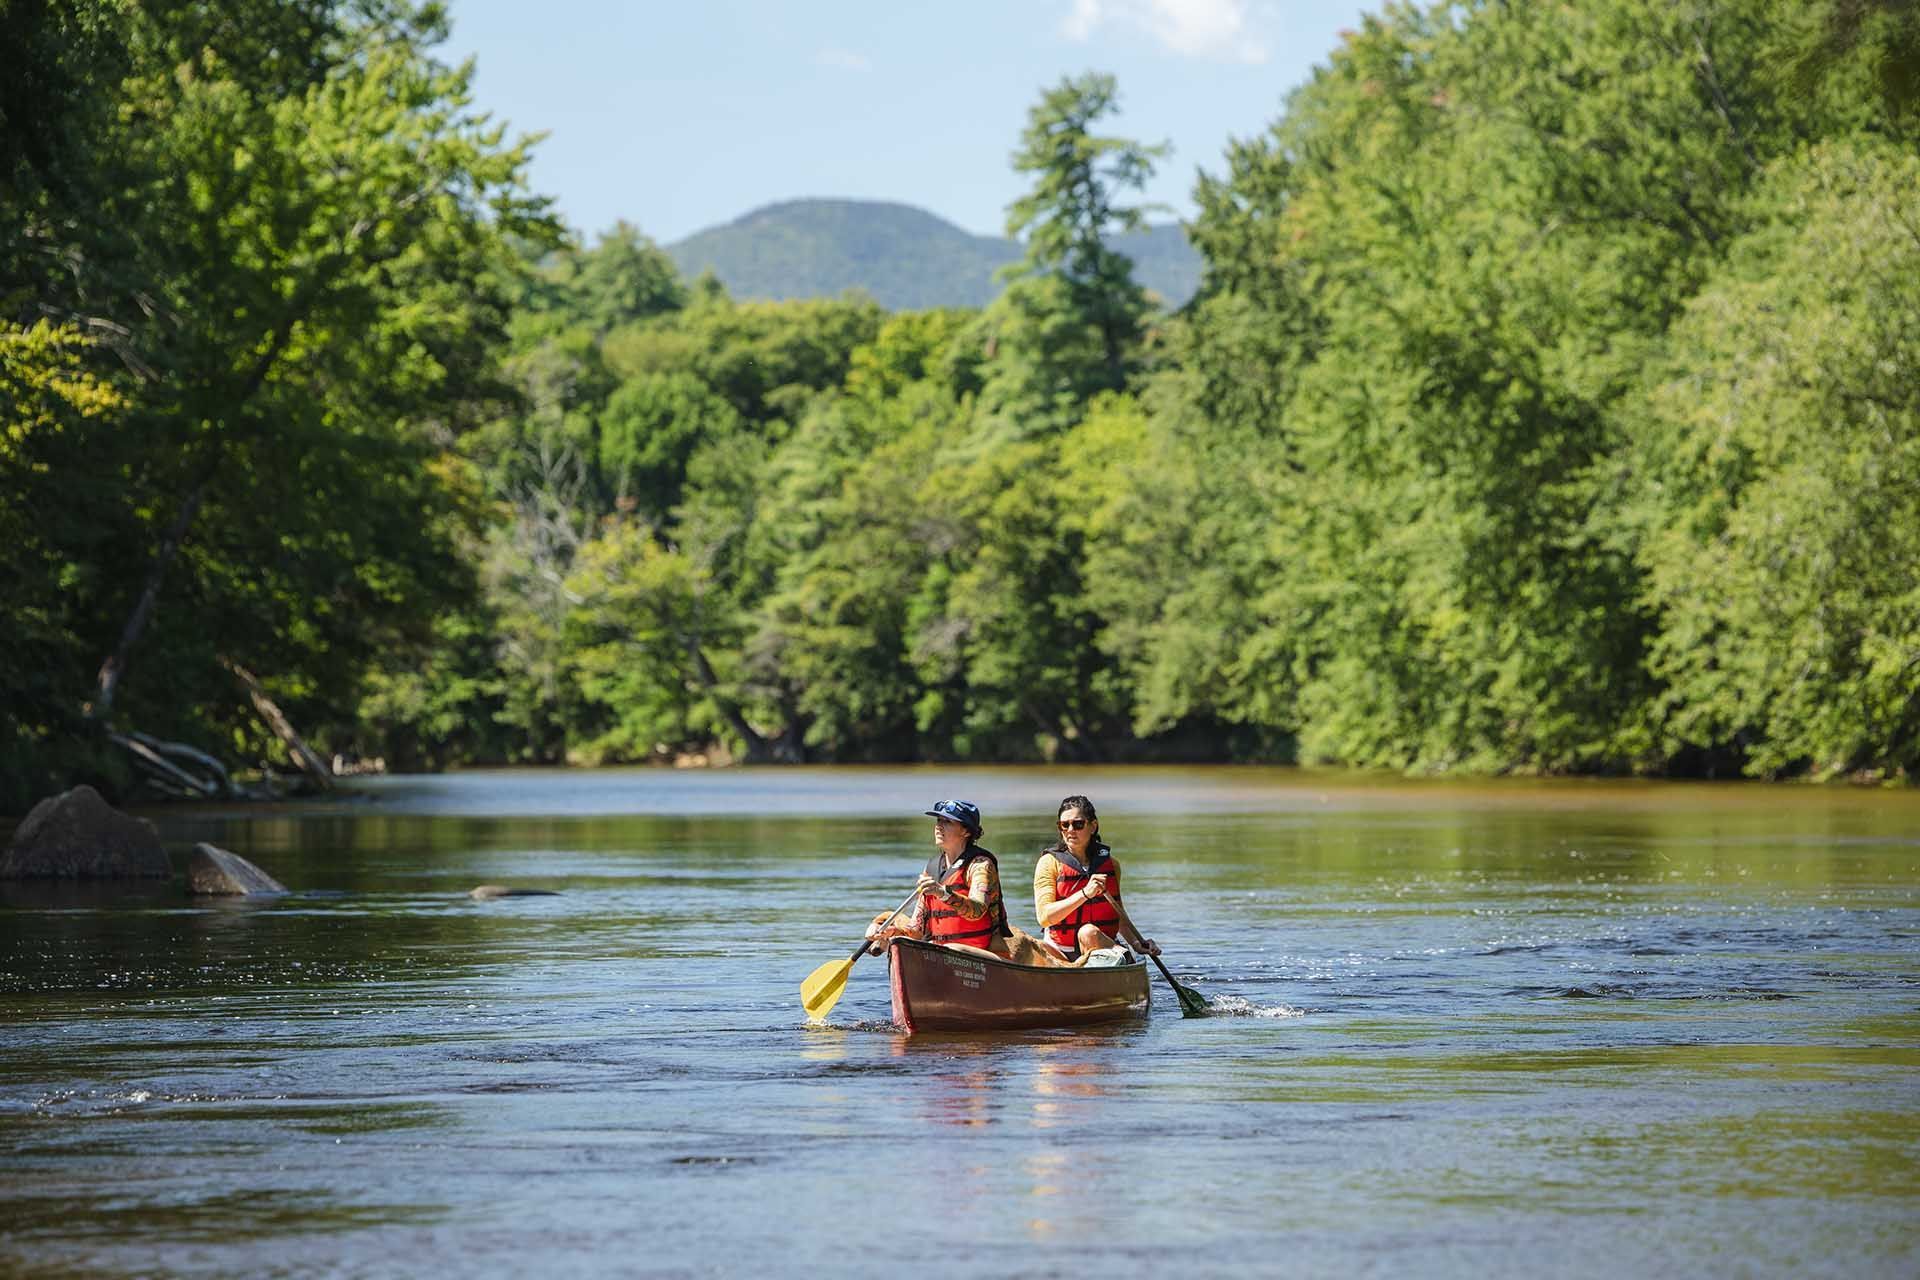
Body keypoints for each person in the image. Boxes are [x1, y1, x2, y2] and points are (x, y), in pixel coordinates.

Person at [867, 799, 1015, 958]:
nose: (939, 826)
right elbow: (917, 931)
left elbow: (977, 911)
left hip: (980, 952)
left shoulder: (980, 865)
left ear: (966, 831)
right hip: (942, 953)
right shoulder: (931, 869)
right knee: (900, 941)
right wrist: (892, 932)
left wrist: (942, 893)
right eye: (938, 820)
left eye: (948, 822)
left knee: (954, 950)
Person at [1033, 794, 1159, 965]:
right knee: (1031, 946)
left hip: (1101, 946)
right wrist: (1085, 894)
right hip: (1060, 951)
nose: (1070, 830)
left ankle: (1121, 957)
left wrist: (1137, 943)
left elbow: (1117, 914)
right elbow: (1044, 917)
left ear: (1093, 826)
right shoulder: (1048, 863)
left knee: (1088, 933)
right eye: (1064, 825)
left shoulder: (1111, 865)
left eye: (1078, 824)